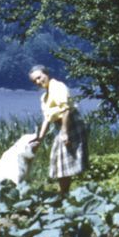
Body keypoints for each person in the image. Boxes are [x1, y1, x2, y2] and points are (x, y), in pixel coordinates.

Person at [29, 64, 86, 196]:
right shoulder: (44, 97)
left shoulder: (57, 87)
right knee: (59, 159)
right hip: (61, 126)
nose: (38, 82)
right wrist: (39, 139)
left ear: (46, 74)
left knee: (64, 159)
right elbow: (47, 119)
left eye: (39, 77)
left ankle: (64, 193)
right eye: (34, 81)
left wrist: (65, 132)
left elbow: (66, 110)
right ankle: (64, 193)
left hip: (70, 123)